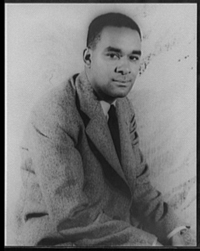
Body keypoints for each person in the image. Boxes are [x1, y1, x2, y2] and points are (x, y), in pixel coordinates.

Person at [14, 12, 195, 246]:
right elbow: (72, 217)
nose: (125, 68)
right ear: (88, 58)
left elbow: (138, 183)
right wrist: (148, 244)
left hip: (110, 231)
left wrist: (175, 231)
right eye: (113, 55)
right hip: (59, 239)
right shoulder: (55, 112)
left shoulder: (123, 107)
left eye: (133, 57)